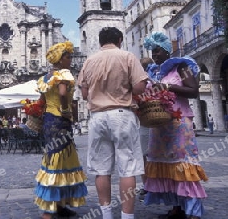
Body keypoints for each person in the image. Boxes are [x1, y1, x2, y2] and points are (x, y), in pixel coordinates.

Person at [78, 27, 148, 219]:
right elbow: (141, 87)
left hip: (97, 117)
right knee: (128, 168)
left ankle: (106, 214)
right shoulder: (127, 56)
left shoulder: (89, 61)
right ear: (119, 40)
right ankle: (127, 216)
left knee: (101, 169)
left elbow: (84, 94)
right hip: (122, 114)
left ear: (100, 42)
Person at [143, 32, 207, 219]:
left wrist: (168, 88)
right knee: (167, 165)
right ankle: (177, 207)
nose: (155, 55)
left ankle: (193, 211)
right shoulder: (156, 71)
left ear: (167, 50)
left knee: (184, 163)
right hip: (161, 125)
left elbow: (193, 91)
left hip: (180, 124)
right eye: (152, 52)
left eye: (158, 51)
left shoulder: (182, 67)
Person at [35, 41, 88, 219]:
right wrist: (66, 111)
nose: (70, 59)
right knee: (60, 159)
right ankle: (50, 209)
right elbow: (64, 93)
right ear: (59, 59)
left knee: (54, 157)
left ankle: (59, 204)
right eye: (67, 56)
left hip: (49, 121)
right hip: (60, 120)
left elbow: (42, 99)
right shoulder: (63, 74)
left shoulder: (46, 78)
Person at [138, 57, 155, 202]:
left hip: (144, 122)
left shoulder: (142, 82)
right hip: (158, 121)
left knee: (143, 156)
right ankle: (156, 185)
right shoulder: (156, 79)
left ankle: (148, 186)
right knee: (155, 155)